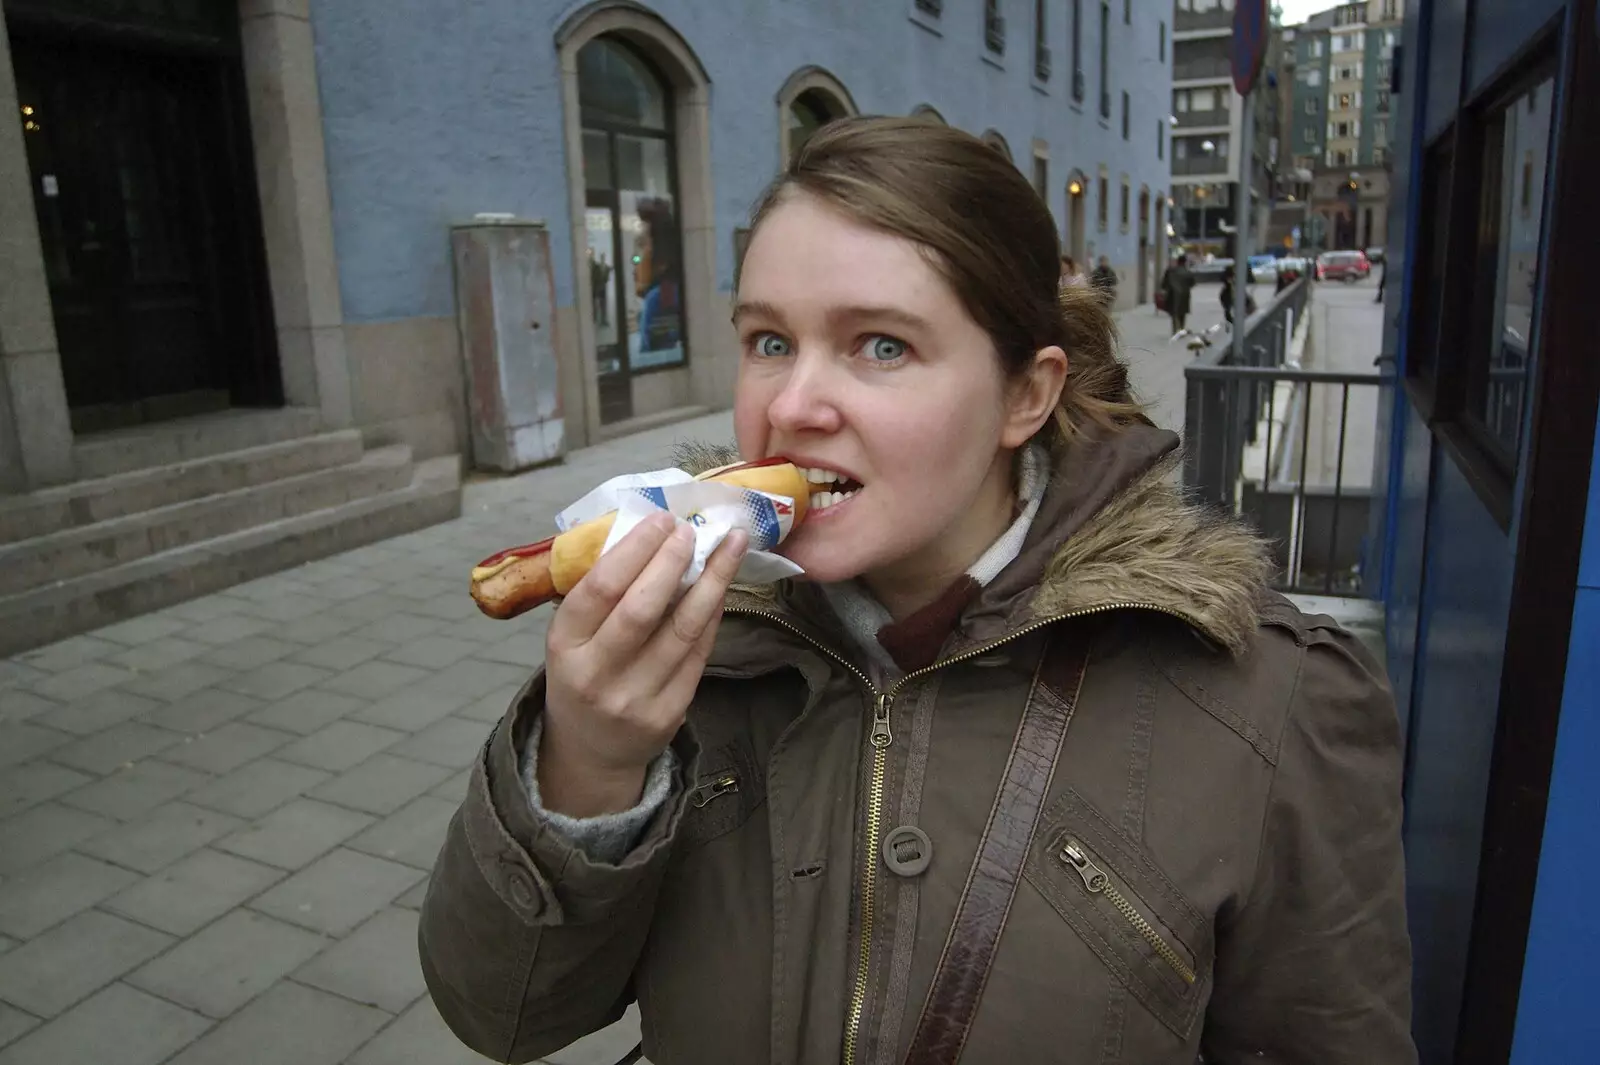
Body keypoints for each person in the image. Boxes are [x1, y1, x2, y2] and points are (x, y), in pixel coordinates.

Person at [420, 116, 1416, 1065]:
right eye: (768, 340)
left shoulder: (1270, 708)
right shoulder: (695, 650)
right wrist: (587, 769)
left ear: (1024, 395)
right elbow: (503, 1014)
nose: (792, 406)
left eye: (880, 346)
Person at [1159, 253, 1195, 335]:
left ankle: (1175, 329)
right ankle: (1181, 328)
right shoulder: (1188, 272)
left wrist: (1165, 290)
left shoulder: (1170, 271)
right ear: (1185, 262)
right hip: (1185, 294)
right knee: (1183, 313)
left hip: (1173, 294)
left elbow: (1164, 284)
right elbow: (1192, 283)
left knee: (1174, 312)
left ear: (1177, 261)